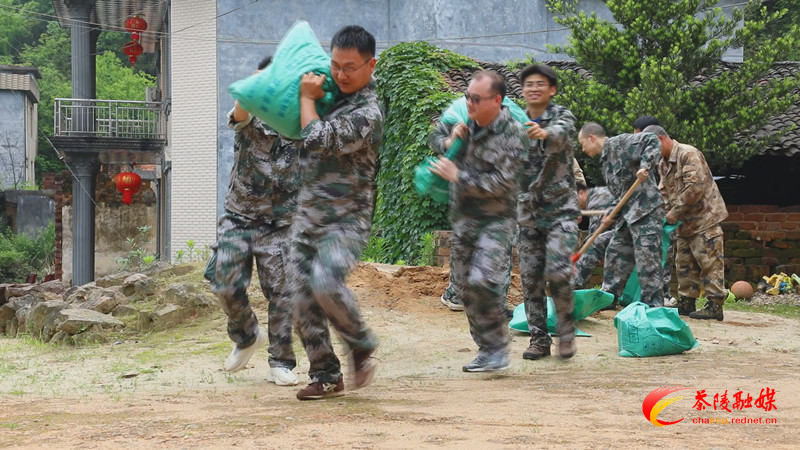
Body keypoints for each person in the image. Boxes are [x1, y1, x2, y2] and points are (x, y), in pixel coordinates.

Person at [289, 25, 383, 400]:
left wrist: (305, 98)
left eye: (350, 67)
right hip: (308, 214)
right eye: (336, 65)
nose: (341, 74)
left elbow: (317, 138)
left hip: (347, 220)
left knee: (325, 283)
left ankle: (360, 342)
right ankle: (326, 375)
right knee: (300, 297)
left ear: (370, 65)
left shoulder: (368, 113)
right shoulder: (328, 94)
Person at [205, 56, 300, 386]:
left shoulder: (303, 120)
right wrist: (254, 85)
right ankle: (246, 335)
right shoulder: (250, 114)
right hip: (239, 216)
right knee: (223, 279)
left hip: (280, 223)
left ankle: (281, 362)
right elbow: (239, 111)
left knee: (282, 293)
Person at [428, 71, 529, 372]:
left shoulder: (514, 133)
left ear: (497, 100)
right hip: (464, 219)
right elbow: (434, 138)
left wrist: (459, 176)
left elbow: (504, 183)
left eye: (475, 99)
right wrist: (449, 140)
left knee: (483, 280)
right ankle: (487, 350)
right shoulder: (464, 121)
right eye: (467, 96)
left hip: (496, 219)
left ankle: (496, 346)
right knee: (464, 288)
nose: (469, 103)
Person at [514, 64, 579, 360]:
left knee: (558, 271)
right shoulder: (514, 122)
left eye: (540, 84)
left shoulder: (562, 116)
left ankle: (566, 330)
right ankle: (539, 339)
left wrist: (544, 132)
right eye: (529, 84)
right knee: (531, 278)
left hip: (560, 211)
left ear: (551, 90)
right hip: (527, 213)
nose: (534, 89)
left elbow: (562, 133)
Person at [645, 125, 729, 320]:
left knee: (709, 262)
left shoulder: (688, 153)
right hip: (683, 224)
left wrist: (675, 211)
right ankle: (686, 301)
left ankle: (715, 304)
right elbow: (664, 193)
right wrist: (662, 215)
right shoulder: (663, 163)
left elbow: (695, 186)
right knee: (684, 263)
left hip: (704, 219)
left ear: (660, 139)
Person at [577, 122, 665, 308]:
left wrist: (645, 165)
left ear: (591, 138)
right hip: (627, 215)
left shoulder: (621, 143)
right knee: (615, 252)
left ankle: (653, 307)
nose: (583, 149)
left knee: (647, 261)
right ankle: (608, 298)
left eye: (582, 144)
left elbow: (651, 139)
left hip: (646, 211)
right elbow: (621, 195)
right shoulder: (606, 164)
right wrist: (611, 214)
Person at [633, 115, 675, 303]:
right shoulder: (649, 158)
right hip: (652, 211)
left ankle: (663, 294)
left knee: (664, 251)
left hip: (667, 213)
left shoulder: (665, 157)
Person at [574, 186, 615, 289]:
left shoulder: (598, 199)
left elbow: (596, 233)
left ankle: (574, 286)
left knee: (592, 245)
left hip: (627, 230)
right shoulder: (598, 194)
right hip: (622, 230)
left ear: (581, 193)